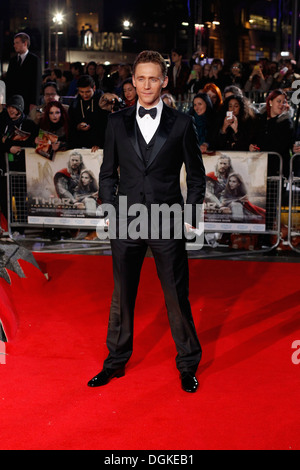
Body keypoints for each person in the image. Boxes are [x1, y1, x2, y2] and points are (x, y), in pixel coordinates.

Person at [88, 50, 206, 393]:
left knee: (176, 296)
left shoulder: (182, 124)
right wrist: (109, 209)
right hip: (126, 219)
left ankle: (187, 365)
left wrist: (190, 213)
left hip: (168, 220)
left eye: (153, 78)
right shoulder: (115, 122)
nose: (146, 85)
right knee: (121, 295)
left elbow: (196, 177)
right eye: (140, 78)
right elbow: (107, 173)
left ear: (164, 81)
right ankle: (115, 363)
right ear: (133, 80)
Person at [249, 89, 294, 178]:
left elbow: (282, 144)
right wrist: (251, 146)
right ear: (270, 102)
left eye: (284, 102)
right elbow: (253, 138)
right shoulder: (259, 119)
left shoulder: (286, 122)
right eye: (279, 101)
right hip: (259, 167)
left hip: (278, 169)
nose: (282, 104)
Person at [68, 74, 108, 151]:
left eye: (88, 92)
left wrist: (99, 143)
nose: (85, 95)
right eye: (81, 92)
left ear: (94, 88)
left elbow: (106, 125)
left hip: (98, 145)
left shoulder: (103, 102)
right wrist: (78, 126)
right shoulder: (75, 104)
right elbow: (71, 123)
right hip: (80, 143)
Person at [5, 32, 42, 114]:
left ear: (25, 43)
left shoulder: (34, 60)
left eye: (17, 43)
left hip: (28, 101)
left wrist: (34, 102)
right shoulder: (13, 60)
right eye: (14, 43)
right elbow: (9, 81)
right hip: (13, 102)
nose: (14, 45)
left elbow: (37, 82)